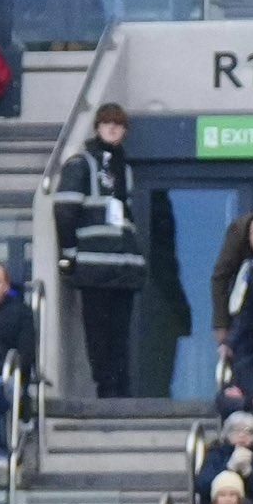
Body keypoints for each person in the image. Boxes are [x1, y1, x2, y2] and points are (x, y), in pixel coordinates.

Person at [52, 101, 144, 399]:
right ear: (97, 128)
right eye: (107, 123)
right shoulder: (82, 163)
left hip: (123, 268)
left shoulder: (124, 168)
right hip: (94, 267)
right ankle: (107, 389)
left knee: (120, 335)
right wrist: (69, 254)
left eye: (118, 125)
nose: (113, 128)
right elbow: (65, 209)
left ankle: (121, 388)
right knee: (98, 334)